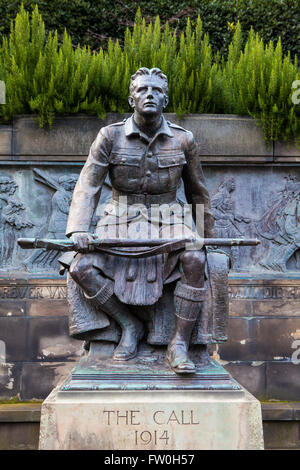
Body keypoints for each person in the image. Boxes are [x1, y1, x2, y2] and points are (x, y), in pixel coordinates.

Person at [64, 67, 215, 374]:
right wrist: (78, 227)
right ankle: (128, 324)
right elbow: (88, 185)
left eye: (156, 90)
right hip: (120, 217)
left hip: (169, 217)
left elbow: (198, 191)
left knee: (196, 260)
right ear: (131, 98)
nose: (149, 94)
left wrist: (203, 235)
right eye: (143, 89)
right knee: (79, 267)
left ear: (166, 99)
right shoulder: (110, 135)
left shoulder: (184, 141)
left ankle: (179, 344)